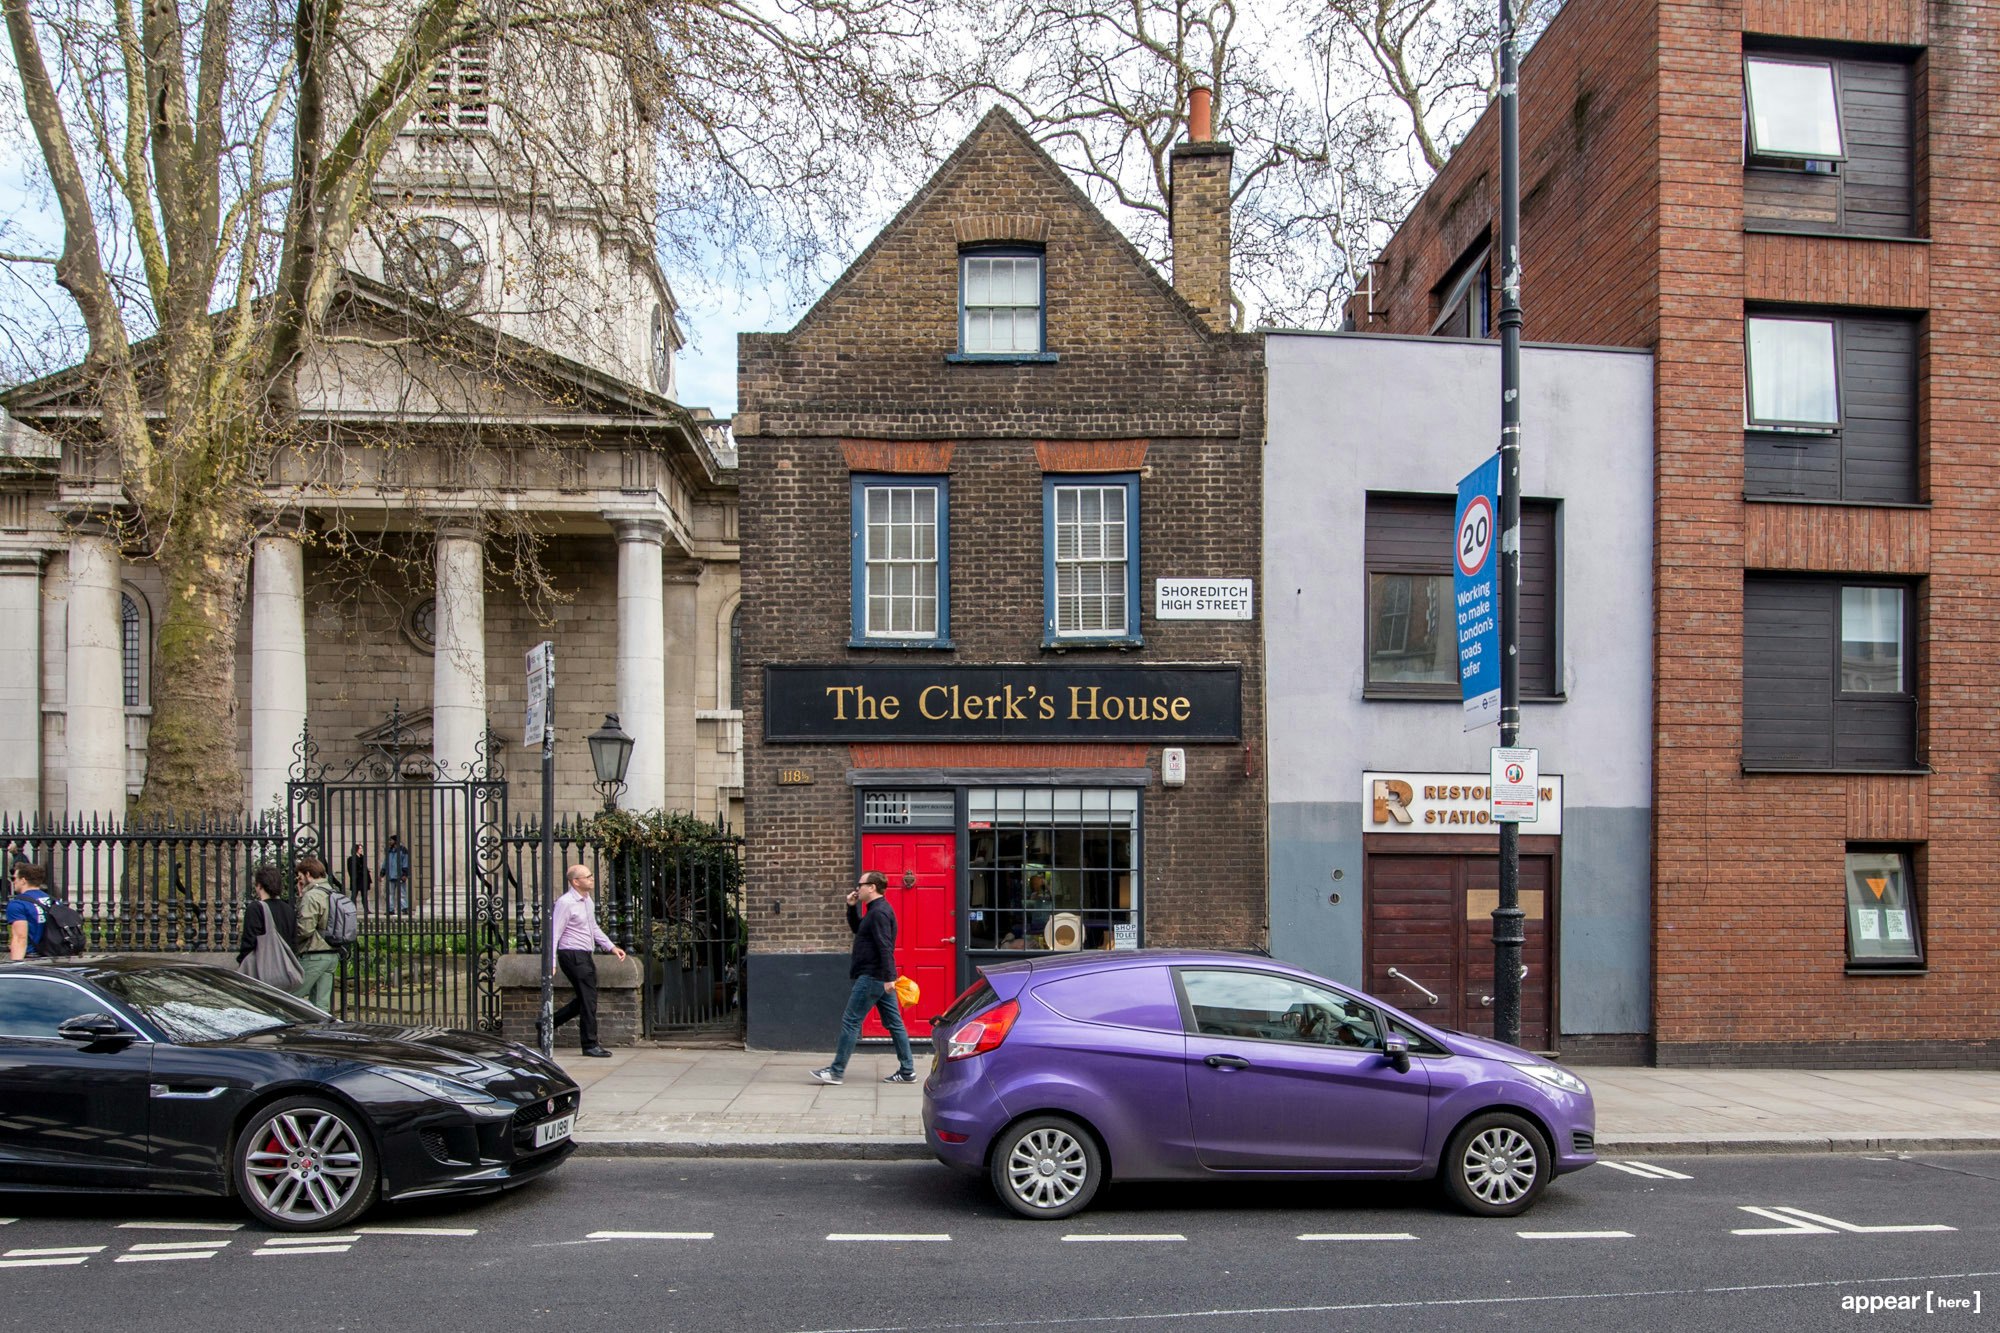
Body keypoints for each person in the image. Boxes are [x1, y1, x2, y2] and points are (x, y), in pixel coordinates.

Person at [812, 870, 915, 1086]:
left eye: (861, 884)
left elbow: (885, 946)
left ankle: (836, 1072)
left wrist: (889, 977)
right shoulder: (875, 910)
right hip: (878, 977)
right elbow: (858, 930)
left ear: (872, 887)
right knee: (895, 1024)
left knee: (851, 1021)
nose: (857, 888)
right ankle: (907, 1071)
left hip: (872, 977)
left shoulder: (879, 913)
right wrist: (851, 907)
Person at [548, 864, 625, 1057]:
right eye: (588, 876)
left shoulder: (587, 901)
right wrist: (551, 962)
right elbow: (554, 932)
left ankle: (546, 1023)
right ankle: (590, 1044)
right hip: (571, 954)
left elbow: (594, 927)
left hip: (584, 955)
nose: (592, 879)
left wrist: (611, 947)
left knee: (586, 998)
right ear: (576, 881)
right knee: (589, 999)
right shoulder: (565, 903)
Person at [292, 856, 341, 1010]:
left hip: (314, 953)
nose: (299, 881)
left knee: (290, 998)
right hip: (332, 953)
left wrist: (291, 941)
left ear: (307, 874)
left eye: (299, 877)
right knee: (321, 1005)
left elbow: (305, 929)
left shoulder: (312, 895)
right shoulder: (332, 892)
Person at [236, 865, 298, 967]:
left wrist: (242, 962)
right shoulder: (289, 910)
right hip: (285, 967)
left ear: (259, 885)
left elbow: (249, 943)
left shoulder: (255, 908)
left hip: (262, 967)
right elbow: (294, 942)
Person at [4, 861, 52, 961]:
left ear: (23, 880)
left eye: (14, 878)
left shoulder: (18, 904)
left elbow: (20, 938)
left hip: (31, 956)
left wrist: (16, 965)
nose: (13, 882)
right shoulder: (53, 901)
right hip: (53, 954)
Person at [379, 834, 411, 914]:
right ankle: (391, 909)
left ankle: (404, 908)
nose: (389, 842)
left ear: (395, 841)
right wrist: (382, 874)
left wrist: (405, 874)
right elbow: (385, 863)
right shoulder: (389, 850)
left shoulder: (403, 850)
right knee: (390, 894)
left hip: (400, 875)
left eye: (391, 840)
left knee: (402, 893)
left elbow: (406, 862)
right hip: (391, 875)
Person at [345, 843, 373, 911]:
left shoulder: (363, 857)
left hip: (364, 879)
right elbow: (350, 870)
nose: (361, 850)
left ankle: (366, 909)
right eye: (360, 848)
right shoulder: (351, 859)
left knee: (364, 896)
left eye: (361, 848)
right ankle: (353, 909)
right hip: (357, 879)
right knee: (354, 895)